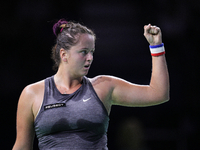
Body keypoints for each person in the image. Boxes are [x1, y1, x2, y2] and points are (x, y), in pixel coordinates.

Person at [12, 19, 169, 150]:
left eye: (92, 52)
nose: (90, 58)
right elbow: (22, 146)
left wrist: (156, 47)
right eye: (83, 52)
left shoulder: (103, 87)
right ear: (63, 54)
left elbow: (158, 93)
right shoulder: (32, 94)